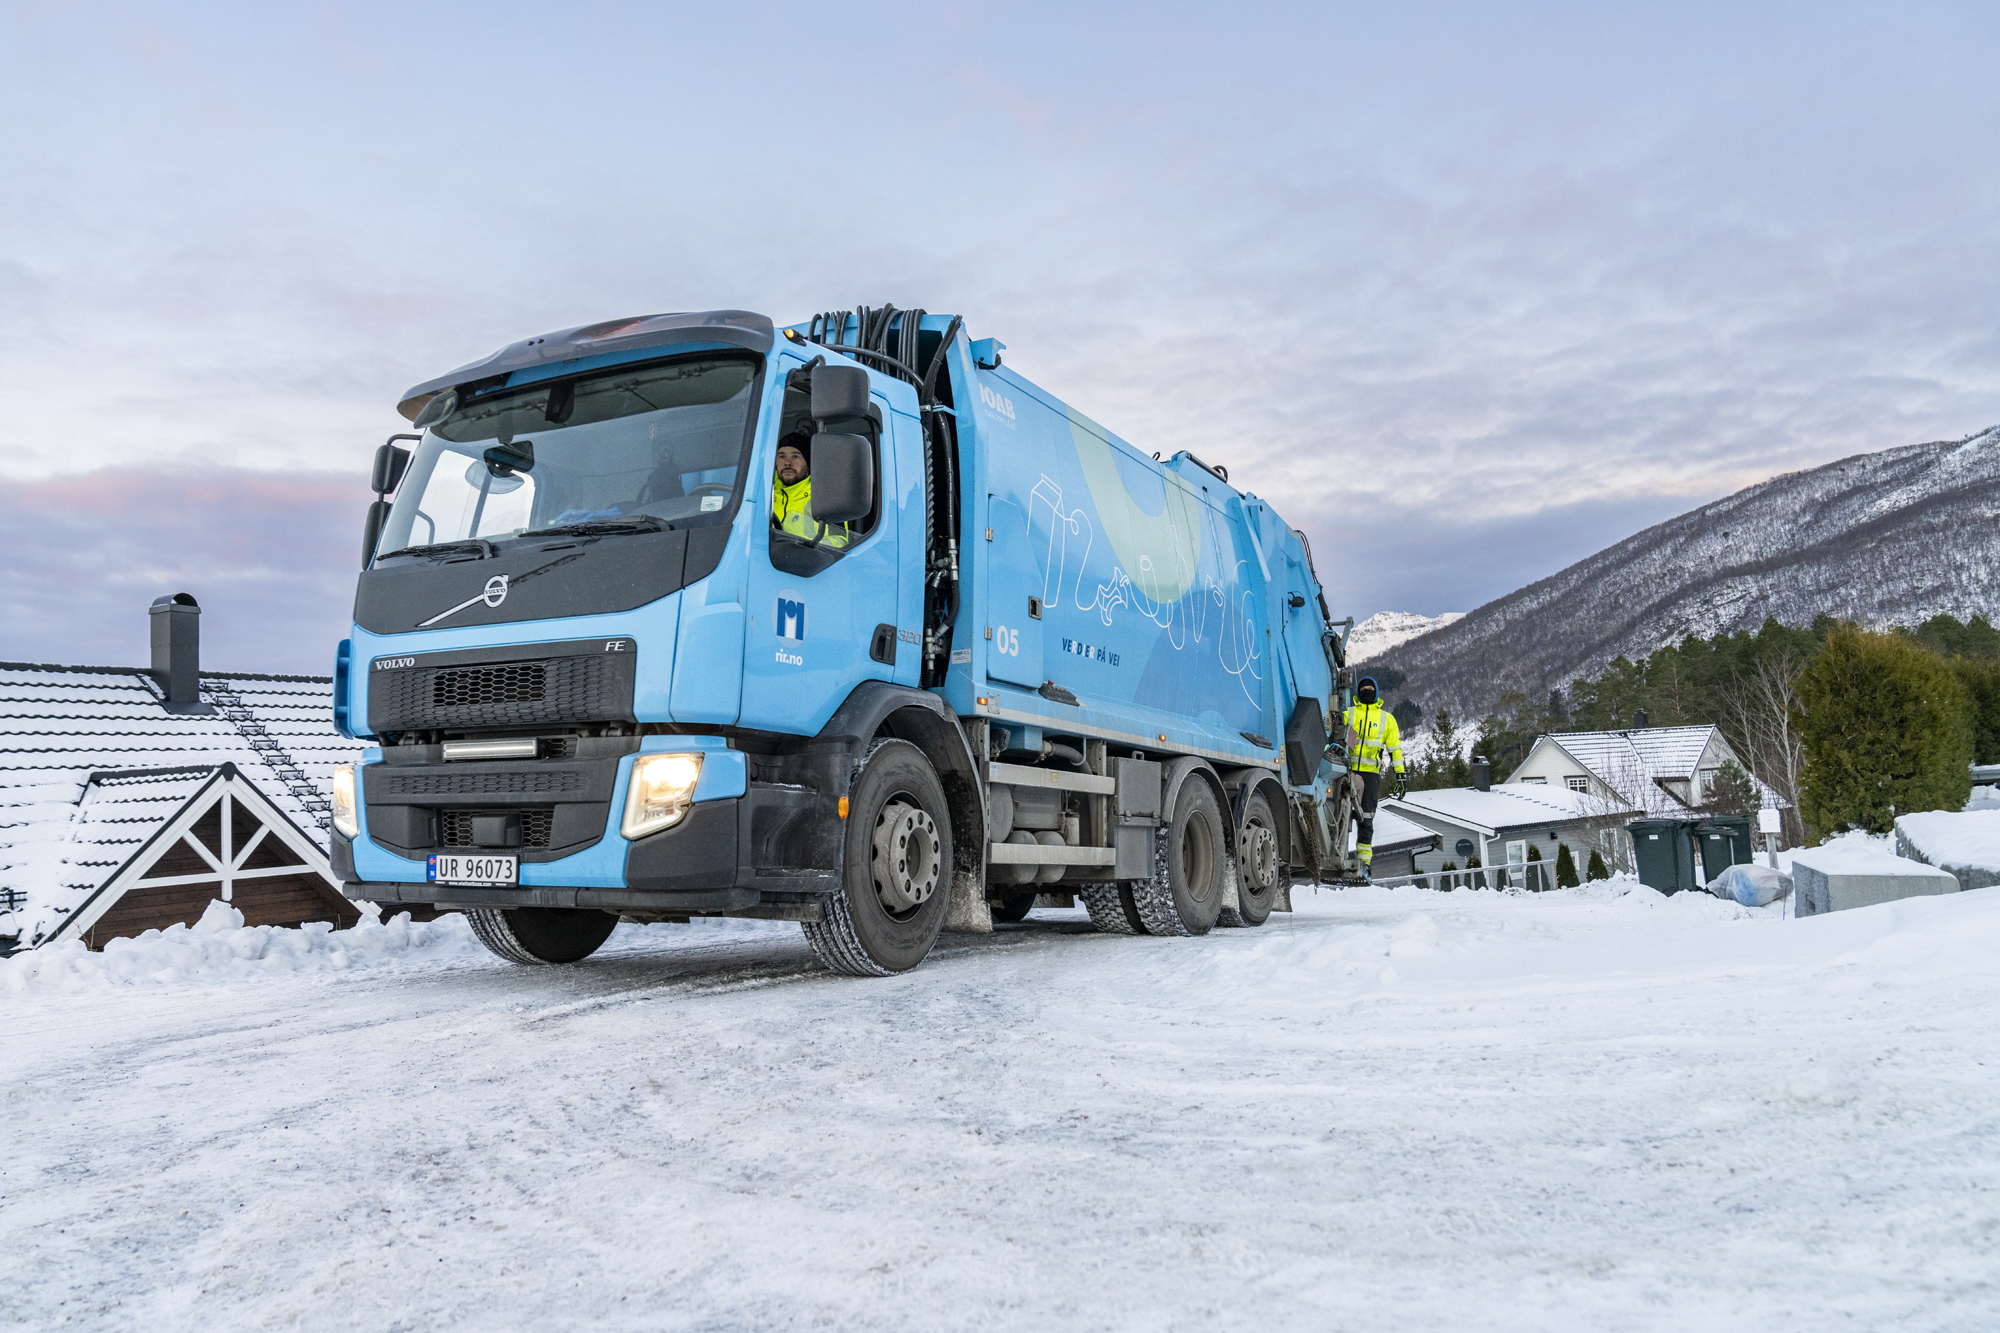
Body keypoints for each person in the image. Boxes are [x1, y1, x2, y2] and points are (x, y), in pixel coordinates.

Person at [1341, 675, 1405, 879]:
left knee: (1366, 819)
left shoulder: (1387, 719)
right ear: (1358, 693)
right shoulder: (1348, 714)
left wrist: (1400, 776)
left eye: (1370, 688)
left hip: (1370, 776)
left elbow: (1395, 750)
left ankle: (1363, 865)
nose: (1366, 690)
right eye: (1363, 688)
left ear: (1376, 692)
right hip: (1346, 771)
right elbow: (1333, 737)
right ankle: (1339, 859)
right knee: (1339, 816)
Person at [769, 431, 851, 549]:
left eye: (795, 456)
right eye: (781, 456)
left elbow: (840, 543)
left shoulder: (826, 500)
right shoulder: (764, 498)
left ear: (808, 464)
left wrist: (801, 547)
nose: (787, 463)